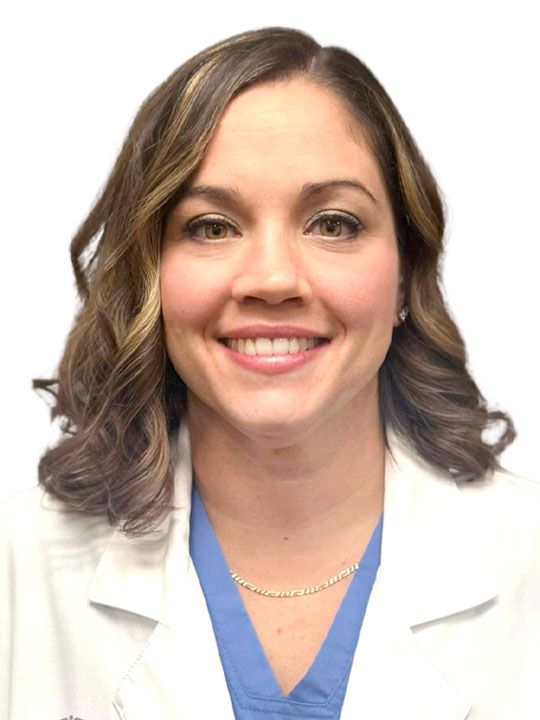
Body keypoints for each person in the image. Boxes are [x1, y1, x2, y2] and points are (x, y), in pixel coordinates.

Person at [1, 26, 539, 720]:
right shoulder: (18, 566)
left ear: (407, 272)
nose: (273, 279)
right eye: (212, 226)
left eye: (335, 223)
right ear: (148, 274)